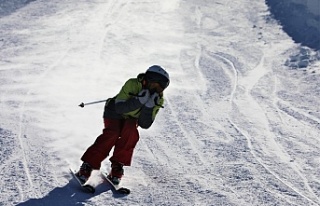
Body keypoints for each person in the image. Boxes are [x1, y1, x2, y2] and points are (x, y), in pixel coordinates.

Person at [76, 65, 170, 185]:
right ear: (147, 79)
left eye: (160, 86)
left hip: (131, 118)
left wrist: (148, 107)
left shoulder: (158, 100)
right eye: (154, 83)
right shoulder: (133, 84)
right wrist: (139, 101)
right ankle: (88, 165)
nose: (155, 88)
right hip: (114, 111)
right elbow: (120, 108)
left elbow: (144, 124)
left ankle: (117, 166)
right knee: (112, 133)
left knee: (131, 134)